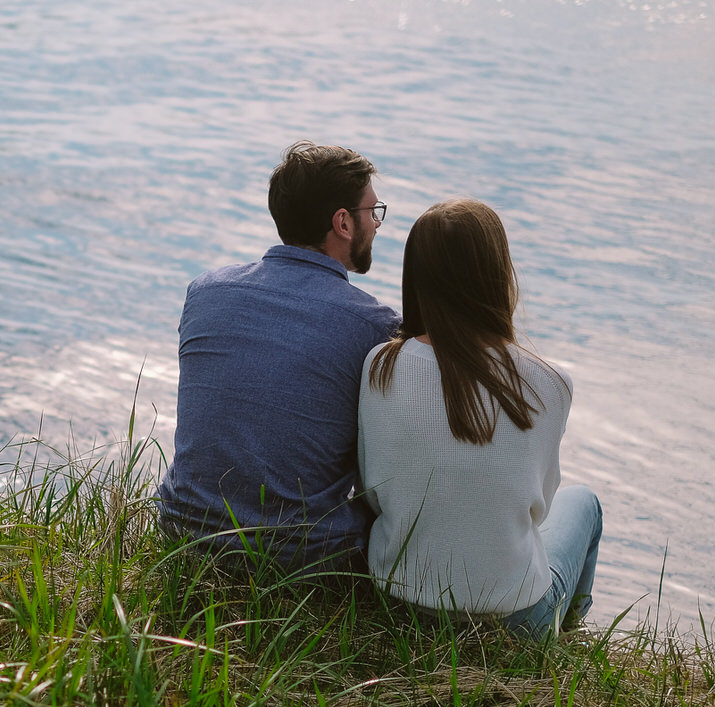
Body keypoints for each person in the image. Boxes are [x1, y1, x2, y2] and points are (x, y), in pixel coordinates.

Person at [357, 198, 602, 638]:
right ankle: (566, 636)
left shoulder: (380, 366)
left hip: (397, 606)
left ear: (415, 277)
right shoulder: (552, 383)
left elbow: (375, 494)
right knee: (585, 503)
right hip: (512, 623)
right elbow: (537, 509)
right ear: (498, 273)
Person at [157, 141, 400, 573]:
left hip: (182, 532)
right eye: (372, 212)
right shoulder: (375, 326)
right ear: (343, 223)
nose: (377, 224)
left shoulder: (205, 293)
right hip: (296, 557)